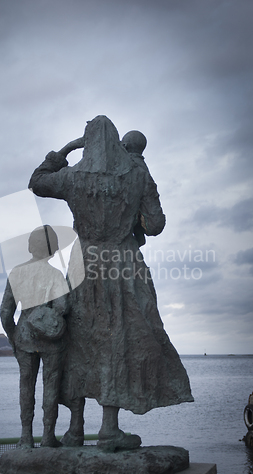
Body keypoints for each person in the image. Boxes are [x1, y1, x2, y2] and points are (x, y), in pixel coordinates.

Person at [29, 116, 193, 452]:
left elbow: (37, 181)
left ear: (88, 143)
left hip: (84, 262)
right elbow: (156, 225)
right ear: (117, 142)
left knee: (79, 340)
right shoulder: (136, 173)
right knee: (119, 340)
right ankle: (109, 429)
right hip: (124, 264)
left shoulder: (73, 176)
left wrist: (67, 150)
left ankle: (75, 430)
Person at [0, 225, 69, 448]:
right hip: (51, 341)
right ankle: (48, 437)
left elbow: (5, 312)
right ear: (53, 249)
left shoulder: (17, 272)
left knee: (26, 387)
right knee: (51, 387)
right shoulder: (55, 274)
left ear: (31, 246)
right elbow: (63, 306)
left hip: (24, 338)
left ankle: (26, 437)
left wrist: (14, 337)